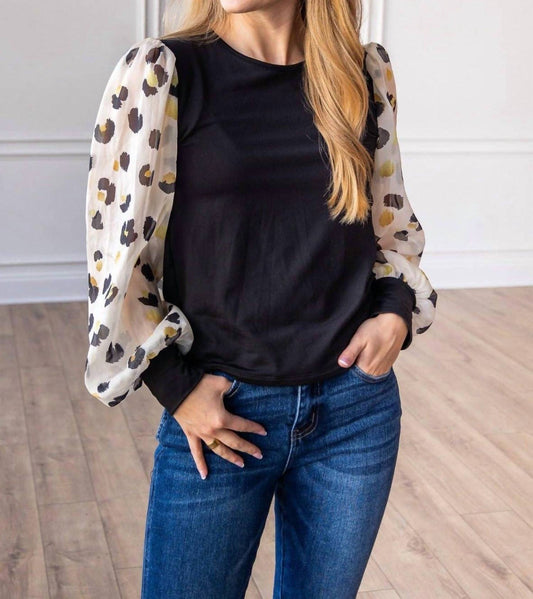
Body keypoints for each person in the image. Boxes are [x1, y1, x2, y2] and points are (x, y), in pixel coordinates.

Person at [84, 1, 437, 597]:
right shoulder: (162, 73)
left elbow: (387, 225)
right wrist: (175, 388)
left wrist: (394, 312)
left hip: (355, 412)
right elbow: (115, 262)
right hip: (221, 418)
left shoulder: (362, 75)